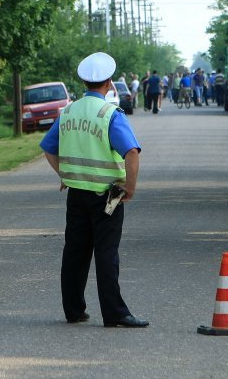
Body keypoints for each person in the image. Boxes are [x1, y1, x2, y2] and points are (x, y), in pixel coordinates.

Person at [40, 52, 148, 328]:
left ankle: (74, 310)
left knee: (75, 252)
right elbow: (132, 153)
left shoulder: (69, 111)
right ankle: (115, 313)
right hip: (107, 195)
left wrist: (65, 174)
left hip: (77, 194)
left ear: (84, 82)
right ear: (109, 83)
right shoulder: (109, 114)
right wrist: (130, 188)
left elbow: (48, 148)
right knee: (106, 253)